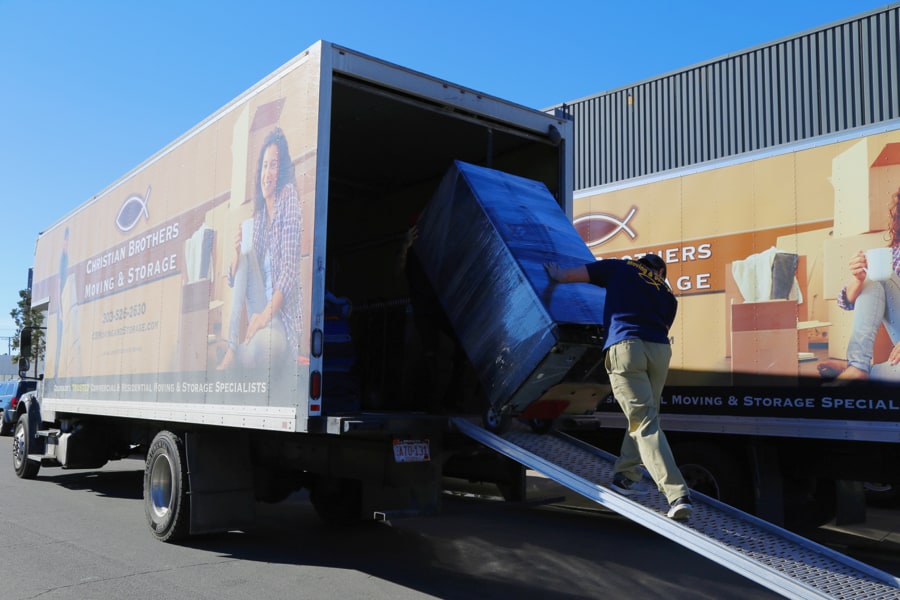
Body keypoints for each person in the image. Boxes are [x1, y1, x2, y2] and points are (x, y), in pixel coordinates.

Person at [544, 253, 692, 520]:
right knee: (647, 416)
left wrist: (555, 274)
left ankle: (676, 494)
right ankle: (626, 476)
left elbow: (568, 276)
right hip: (659, 351)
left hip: (628, 347)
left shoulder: (621, 267)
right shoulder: (668, 295)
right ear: (660, 272)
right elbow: (662, 325)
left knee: (643, 422)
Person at [218, 127, 302, 372]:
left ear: (282, 170)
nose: (268, 173)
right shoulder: (260, 218)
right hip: (260, 308)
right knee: (244, 255)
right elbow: (234, 279)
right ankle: (232, 346)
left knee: (255, 350)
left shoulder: (289, 200)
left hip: (277, 318)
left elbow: (288, 272)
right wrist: (235, 254)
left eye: (273, 165)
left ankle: (238, 349)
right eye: (265, 166)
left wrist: (264, 317)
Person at [818, 187, 900, 383]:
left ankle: (862, 371)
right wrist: (858, 278)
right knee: (877, 276)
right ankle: (857, 366)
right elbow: (848, 301)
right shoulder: (895, 253)